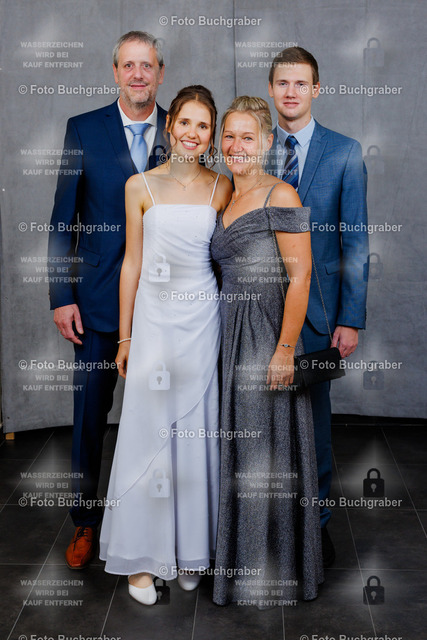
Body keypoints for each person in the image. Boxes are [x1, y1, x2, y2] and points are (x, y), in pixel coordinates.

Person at [99, 85, 232, 605]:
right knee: (148, 436)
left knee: (196, 434)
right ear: (170, 125)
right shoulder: (139, 186)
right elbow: (131, 264)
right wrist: (125, 335)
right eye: (185, 122)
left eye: (203, 125)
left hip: (203, 320)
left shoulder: (222, 187)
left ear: (210, 134)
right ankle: (142, 561)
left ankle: (192, 551)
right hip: (153, 322)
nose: (192, 134)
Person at [47, 31, 168, 569]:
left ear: (160, 73)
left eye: (148, 66)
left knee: (163, 417)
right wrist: (61, 295)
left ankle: (159, 524)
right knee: (90, 418)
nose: (138, 74)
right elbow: (61, 221)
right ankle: (84, 522)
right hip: (95, 303)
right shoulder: (83, 129)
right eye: (129, 66)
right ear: (115, 72)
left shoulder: (184, 127)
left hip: (166, 303)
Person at [211, 96, 323, 608]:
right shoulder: (225, 195)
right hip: (226, 335)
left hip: (266, 335)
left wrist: (284, 351)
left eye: (247, 137)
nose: (236, 145)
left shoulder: (283, 194)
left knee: (265, 449)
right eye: (229, 136)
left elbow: (301, 277)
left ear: (267, 141)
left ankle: (272, 568)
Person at [266, 47, 369, 566]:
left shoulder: (345, 151)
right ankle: (266, 526)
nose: (291, 92)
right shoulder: (252, 147)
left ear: (316, 89)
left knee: (316, 427)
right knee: (264, 423)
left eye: (300, 83)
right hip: (260, 312)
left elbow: (356, 242)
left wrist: (350, 318)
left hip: (321, 315)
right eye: (282, 83)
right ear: (271, 89)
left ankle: (318, 526)